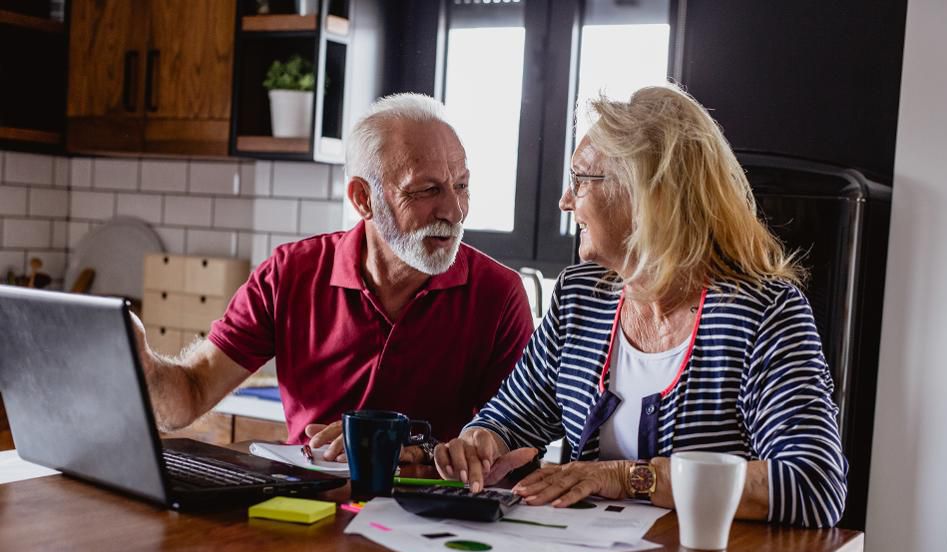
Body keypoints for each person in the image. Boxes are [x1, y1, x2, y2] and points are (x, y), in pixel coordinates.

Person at [435, 85, 848, 528]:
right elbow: (512, 417)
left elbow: (814, 484)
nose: (565, 201)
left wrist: (628, 478)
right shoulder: (581, 295)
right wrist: (481, 441)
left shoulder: (764, 312)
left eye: (581, 180)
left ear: (645, 193)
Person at [134, 93, 533, 464]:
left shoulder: (498, 293)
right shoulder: (290, 272)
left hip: (428, 519)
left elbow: (519, 440)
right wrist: (144, 365)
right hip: (303, 510)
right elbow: (193, 391)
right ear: (363, 198)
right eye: (427, 190)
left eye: (461, 186)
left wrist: (418, 451)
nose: (455, 211)